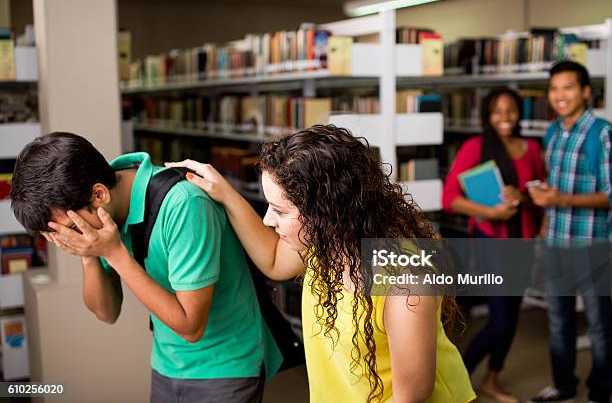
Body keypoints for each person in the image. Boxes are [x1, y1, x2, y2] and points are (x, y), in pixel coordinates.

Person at [166, 124, 476, 402]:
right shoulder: (324, 244)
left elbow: (411, 397)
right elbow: (274, 262)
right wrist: (225, 194)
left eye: (280, 210)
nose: (267, 219)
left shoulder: (405, 279)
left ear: (326, 212)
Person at [10, 132, 282, 403]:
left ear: (99, 194)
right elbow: (106, 312)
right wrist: (88, 253)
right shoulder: (105, 208)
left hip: (225, 368)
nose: (73, 236)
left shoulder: (184, 204)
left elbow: (191, 326)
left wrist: (115, 253)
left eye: (71, 229)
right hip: (166, 365)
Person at [442, 87, 546, 403]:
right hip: (491, 242)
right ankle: (454, 382)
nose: (505, 117)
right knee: (500, 321)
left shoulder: (530, 148)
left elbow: (538, 193)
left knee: (510, 317)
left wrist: (522, 196)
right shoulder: (476, 147)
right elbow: (450, 199)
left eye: (511, 109)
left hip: (522, 241)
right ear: (487, 115)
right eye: (497, 110)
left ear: (520, 112)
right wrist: (491, 211)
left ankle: (491, 379)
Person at [527, 61, 612, 403]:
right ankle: (563, 386)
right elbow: (557, 187)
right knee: (559, 321)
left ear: (586, 91)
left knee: (599, 326)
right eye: (554, 89)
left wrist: (563, 198)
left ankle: (600, 392)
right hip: (555, 241)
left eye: (568, 87)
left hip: (592, 243)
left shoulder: (602, 133)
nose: (560, 95)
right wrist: (545, 206)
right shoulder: (552, 132)